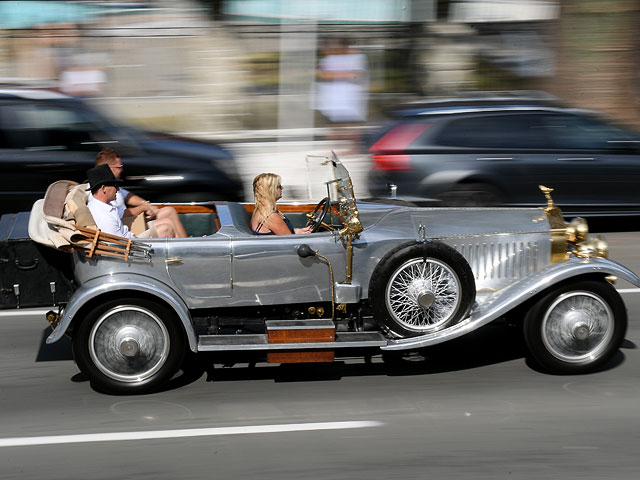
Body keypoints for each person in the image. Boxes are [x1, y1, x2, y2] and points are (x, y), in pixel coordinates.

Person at [94, 148, 187, 238]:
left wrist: (146, 205)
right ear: (109, 168)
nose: (122, 170)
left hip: (129, 224)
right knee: (167, 225)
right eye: (119, 167)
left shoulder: (111, 186)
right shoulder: (104, 192)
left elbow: (127, 196)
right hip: (128, 227)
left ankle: (188, 246)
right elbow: (121, 215)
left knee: (169, 211)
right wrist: (143, 209)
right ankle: (186, 250)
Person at [86, 164, 172, 238]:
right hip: (129, 251)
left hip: (128, 240)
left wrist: (133, 236)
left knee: (167, 221)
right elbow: (118, 246)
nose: (118, 189)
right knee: (166, 229)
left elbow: (124, 234)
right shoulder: (104, 216)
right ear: (104, 189)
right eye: (115, 185)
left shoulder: (104, 206)